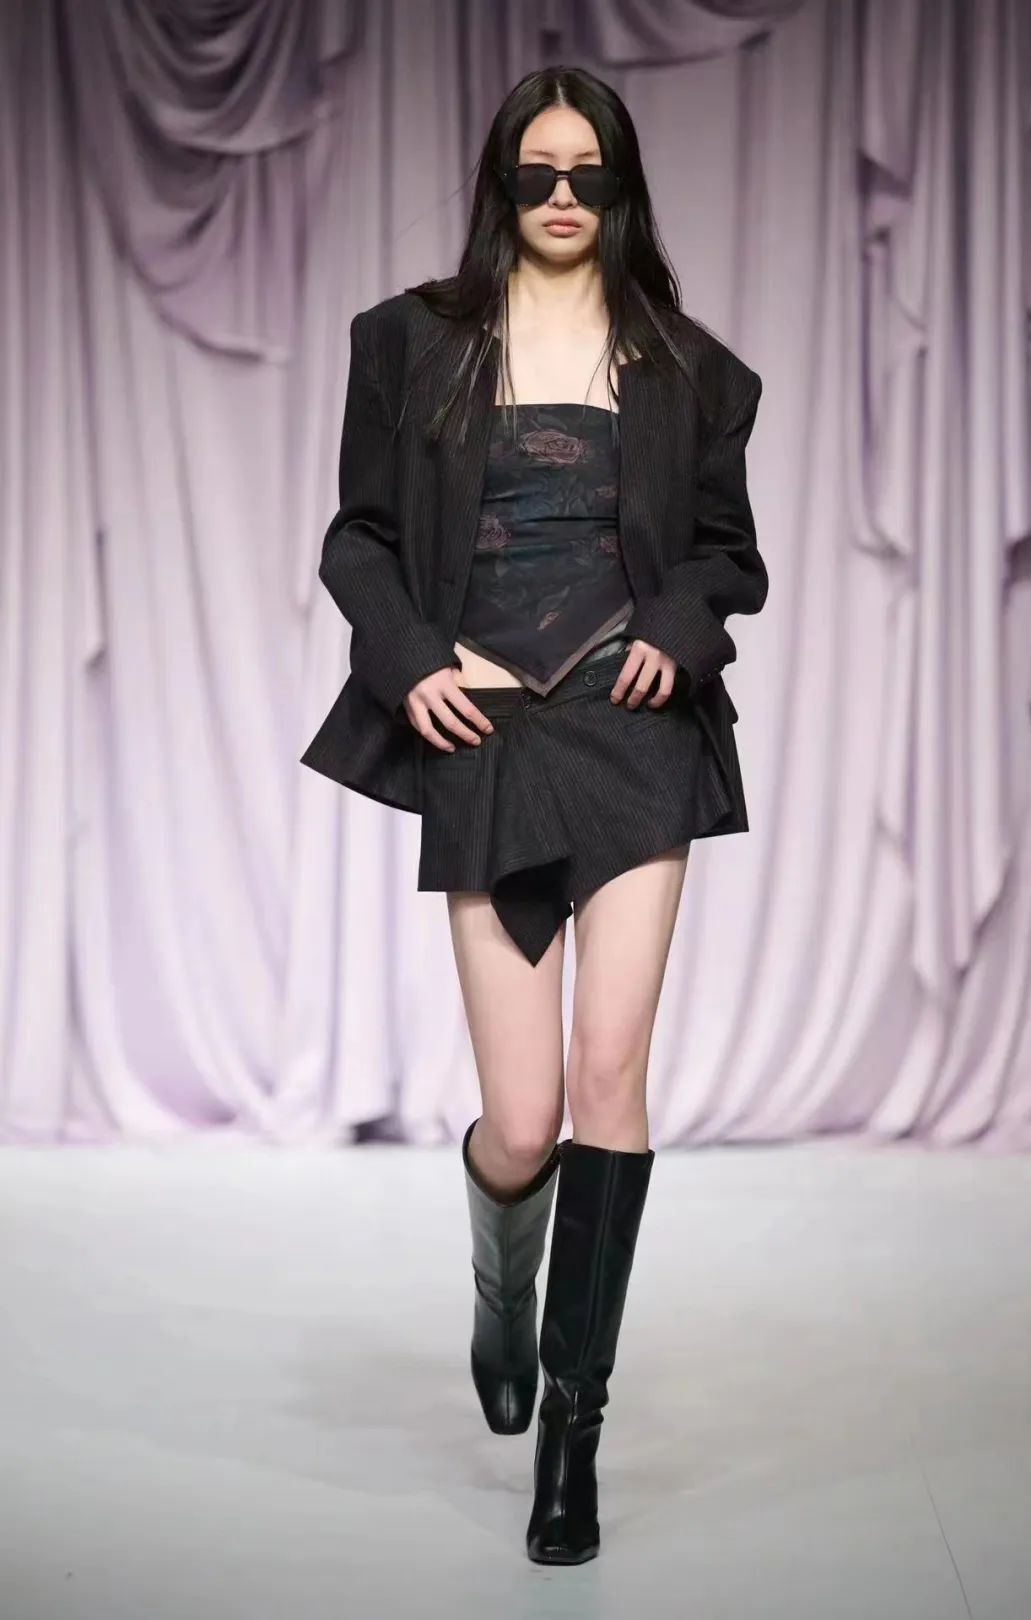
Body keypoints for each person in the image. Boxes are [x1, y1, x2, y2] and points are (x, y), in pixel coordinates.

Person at [302, 65, 767, 1565]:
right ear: (501, 183)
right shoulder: (412, 343)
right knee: (520, 1121)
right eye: (536, 172)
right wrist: (408, 660)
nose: (562, 197)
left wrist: (680, 629)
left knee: (611, 1073)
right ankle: (505, 1296)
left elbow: (725, 555)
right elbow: (360, 539)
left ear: (620, 189)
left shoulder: (687, 368)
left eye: (587, 174)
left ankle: (575, 1434)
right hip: (488, 733)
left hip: (633, 733)